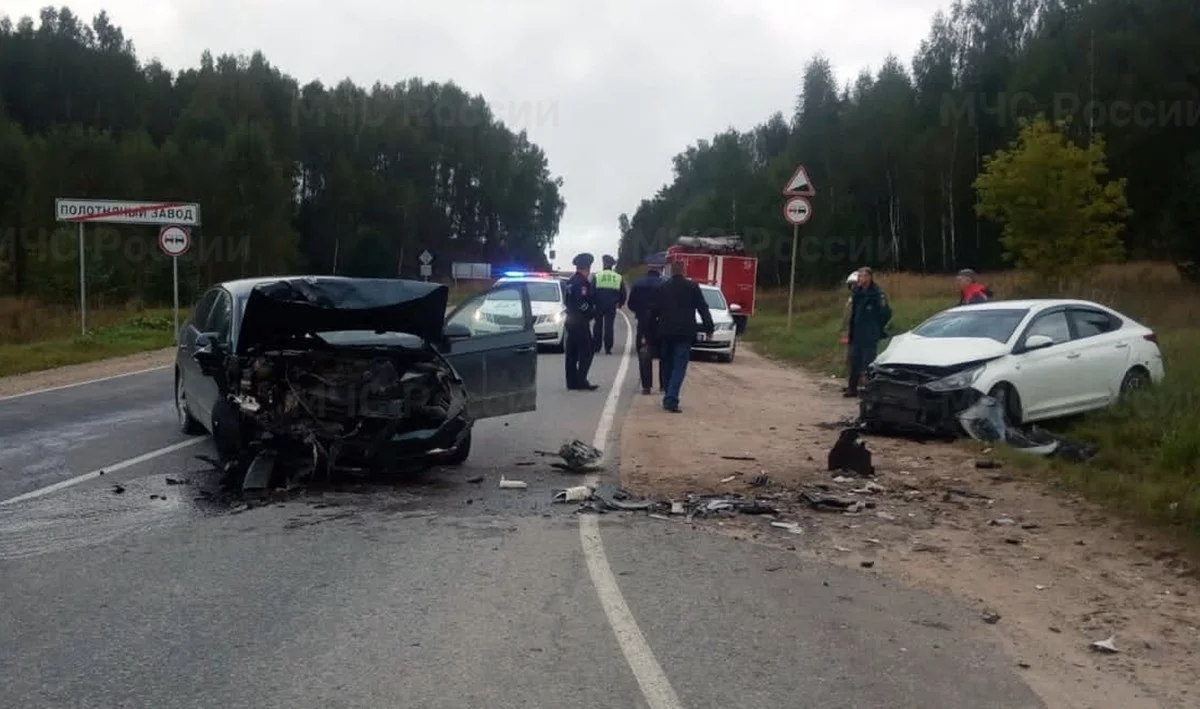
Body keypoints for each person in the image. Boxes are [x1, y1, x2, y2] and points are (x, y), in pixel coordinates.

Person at [652, 260, 713, 413]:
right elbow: (702, 307)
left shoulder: (662, 287)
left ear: (671, 271)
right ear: (684, 271)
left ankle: (668, 394)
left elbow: (655, 311)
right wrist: (709, 328)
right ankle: (671, 398)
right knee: (679, 366)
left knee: (667, 365)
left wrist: (650, 330)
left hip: (666, 332)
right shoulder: (692, 287)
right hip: (685, 333)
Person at [845, 266, 892, 398]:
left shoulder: (877, 293)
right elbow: (853, 313)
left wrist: (876, 326)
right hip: (856, 333)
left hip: (870, 334)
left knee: (868, 363)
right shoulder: (857, 292)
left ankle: (869, 389)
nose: (860, 279)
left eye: (863, 276)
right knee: (854, 361)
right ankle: (852, 388)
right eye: (859, 276)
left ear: (869, 277)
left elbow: (886, 313)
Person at [563, 253, 599, 391]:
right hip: (580, 322)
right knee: (587, 351)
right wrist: (591, 313)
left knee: (572, 353)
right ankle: (581, 380)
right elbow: (581, 302)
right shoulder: (582, 283)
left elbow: (567, 301)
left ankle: (571, 381)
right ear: (587, 268)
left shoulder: (571, 281)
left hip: (570, 321)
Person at [626, 266, 663, 395]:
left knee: (644, 354)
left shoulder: (638, 284)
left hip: (644, 324)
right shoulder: (665, 284)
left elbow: (630, 304)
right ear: (659, 272)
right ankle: (663, 385)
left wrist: (640, 311)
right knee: (664, 355)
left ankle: (646, 387)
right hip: (661, 324)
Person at [590, 255, 626, 354]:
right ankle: (608, 348)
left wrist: (593, 303)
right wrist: (620, 303)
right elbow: (623, 293)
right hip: (611, 306)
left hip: (598, 304)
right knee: (609, 326)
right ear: (611, 265)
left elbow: (591, 291)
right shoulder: (618, 277)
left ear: (604, 264)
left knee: (598, 325)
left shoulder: (597, 276)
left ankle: (596, 347)